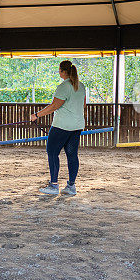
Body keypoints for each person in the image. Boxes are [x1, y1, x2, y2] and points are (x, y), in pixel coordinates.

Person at [30, 60, 86, 196]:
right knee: (72, 155)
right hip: (77, 126)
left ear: (62, 71)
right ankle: (71, 186)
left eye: (59, 70)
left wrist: (36, 115)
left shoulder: (63, 87)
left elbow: (54, 106)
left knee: (52, 152)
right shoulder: (81, 86)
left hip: (62, 126)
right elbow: (83, 105)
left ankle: (53, 185)